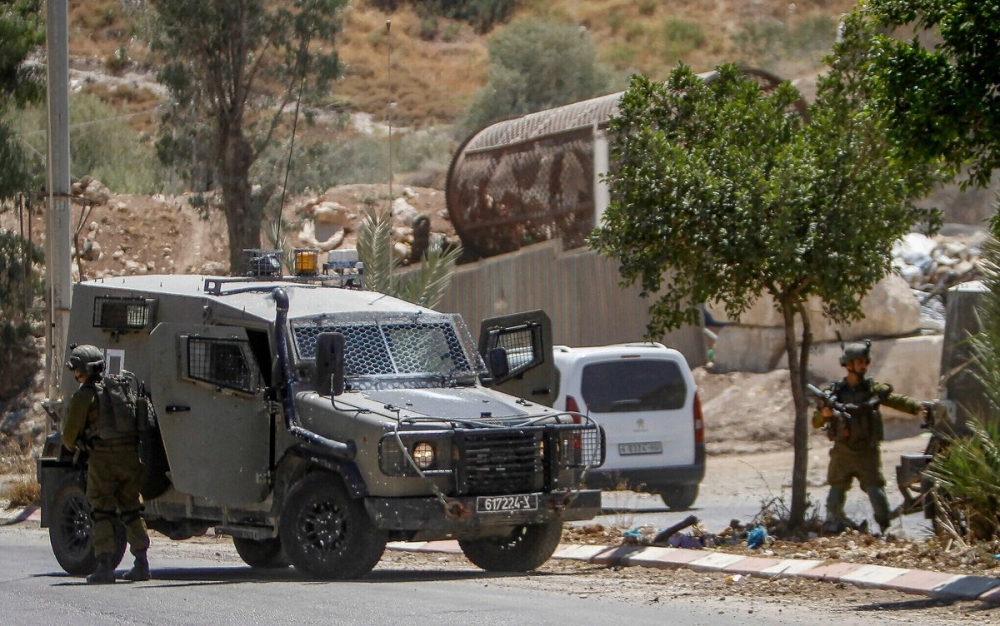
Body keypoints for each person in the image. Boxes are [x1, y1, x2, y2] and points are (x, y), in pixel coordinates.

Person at [812, 340, 923, 534]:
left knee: (876, 492)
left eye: (865, 362)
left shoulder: (872, 389)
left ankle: (885, 528)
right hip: (842, 452)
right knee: (836, 493)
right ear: (848, 365)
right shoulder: (836, 393)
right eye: (859, 362)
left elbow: (894, 400)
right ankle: (834, 526)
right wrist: (825, 414)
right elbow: (816, 421)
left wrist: (917, 407)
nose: (863, 366)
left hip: (867, 451)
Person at [62, 344, 151, 584]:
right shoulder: (120, 388)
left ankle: (104, 565)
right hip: (131, 458)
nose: (75, 374)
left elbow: (69, 436)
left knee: (101, 509)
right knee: (131, 508)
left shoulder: (85, 395)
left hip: (102, 458)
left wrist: (78, 446)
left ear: (84, 371)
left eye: (77, 370)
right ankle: (141, 562)